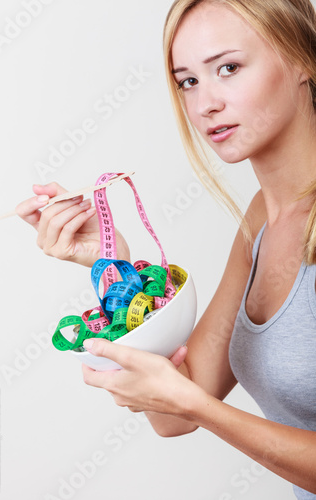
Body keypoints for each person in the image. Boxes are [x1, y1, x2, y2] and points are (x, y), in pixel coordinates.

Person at [16, 0, 316, 498]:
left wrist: (198, 408)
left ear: (304, 59)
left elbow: (191, 405)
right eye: (187, 81)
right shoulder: (263, 217)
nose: (205, 105)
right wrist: (114, 265)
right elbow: (176, 408)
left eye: (228, 68)